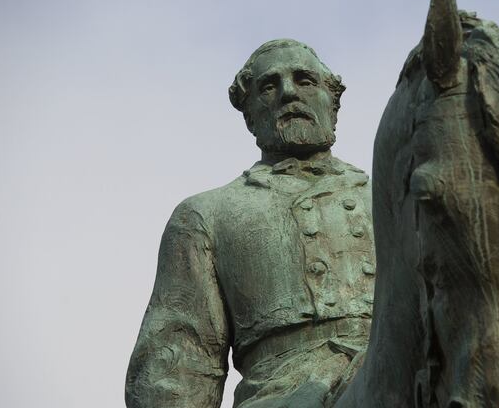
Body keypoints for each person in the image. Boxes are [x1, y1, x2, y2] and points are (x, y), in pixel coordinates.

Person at [126, 39, 375, 408]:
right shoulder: (206, 214)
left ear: (332, 101)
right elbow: (176, 367)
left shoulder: (391, 195)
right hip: (283, 394)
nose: (289, 93)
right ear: (250, 116)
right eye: (269, 86)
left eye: (304, 80)